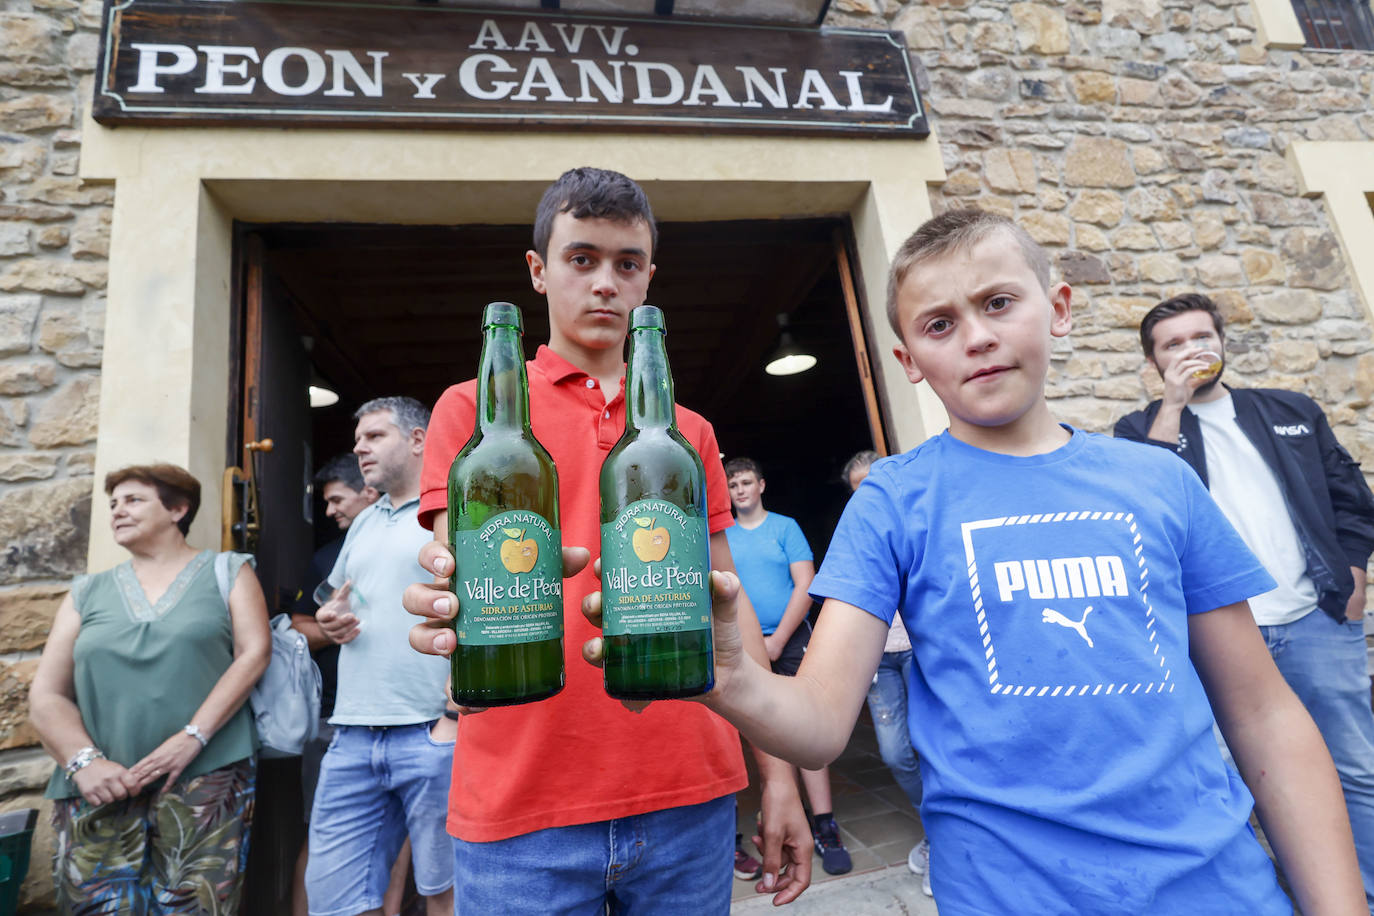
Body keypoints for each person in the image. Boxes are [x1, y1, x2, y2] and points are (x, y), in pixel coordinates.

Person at [582, 207, 1367, 915]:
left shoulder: (1158, 480)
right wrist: (736, 678)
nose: (977, 336)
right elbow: (821, 724)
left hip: (1215, 888)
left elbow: (1263, 715)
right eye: (939, 324)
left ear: (1056, 309)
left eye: (997, 303)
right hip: (1005, 896)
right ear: (908, 359)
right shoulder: (893, 500)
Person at [401, 166, 812, 913]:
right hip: (523, 807)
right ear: (538, 270)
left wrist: (778, 774)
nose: (604, 284)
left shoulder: (689, 431)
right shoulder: (472, 412)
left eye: (627, 265)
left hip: (691, 791)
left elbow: (730, 602)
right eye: (581, 258)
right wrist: (439, 592)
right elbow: (452, 579)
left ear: (649, 279)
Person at [1114, 291, 1374, 912]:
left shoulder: (1290, 410)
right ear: (1154, 363)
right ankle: (1311, 893)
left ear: (1222, 343)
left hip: (1315, 621)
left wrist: (1356, 578)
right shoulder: (1139, 432)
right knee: (1261, 780)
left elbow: (1350, 496)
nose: (1192, 351)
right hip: (1227, 641)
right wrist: (1173, 406)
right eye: (1172, 345)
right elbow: (1146, 508)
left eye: (1201, 337)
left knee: (1357, 771)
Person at [29, 463, 271, 914]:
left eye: (134, 500)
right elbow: (46, 696)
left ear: (178, 509)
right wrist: (85, 763)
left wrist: (191, 738)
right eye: (113, 503)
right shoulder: (86, 591)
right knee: (93, 906)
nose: (118, 510)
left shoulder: (228, 571)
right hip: (98, 784)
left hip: (206, 774)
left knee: (194, 906)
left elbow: (254, 653)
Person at [308, 397, 455, 916]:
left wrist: (453, 718)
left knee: (447, 894)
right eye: (358, 439)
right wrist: (331, 618)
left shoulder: (455, 511)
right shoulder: (367, 521)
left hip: (430, 731)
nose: (359, 447)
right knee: (334, 899)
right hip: (351, 733)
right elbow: (336, 595)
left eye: (374, 436)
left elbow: (489, 615)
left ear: (418, 440)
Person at [723, 457, 852, 877]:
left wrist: (777, 641)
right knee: (750, 737)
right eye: (732, 484)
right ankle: (752, 829)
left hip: (790, 639)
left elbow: (806, 582)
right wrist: (756, 645)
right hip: (738, 646)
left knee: (805, 731)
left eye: (745, 482)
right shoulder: (719, 535)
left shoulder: (785, 527)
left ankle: (824, 825)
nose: (739, 490)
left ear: (761, 485)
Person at [288, 453, 383, 916]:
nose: (329, 512)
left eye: (336, 500)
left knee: (398, 843)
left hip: (406, 713)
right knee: (323, 833)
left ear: (370, 492)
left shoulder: (423, 542)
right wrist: (333, 627)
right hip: (333, 713)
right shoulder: (328, 557)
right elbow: (297, 626)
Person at [843, 448, 930, 896]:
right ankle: (938, 826)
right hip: (880, 657)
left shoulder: (921, 519)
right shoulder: (856, 535)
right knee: (896, 752)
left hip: (921, 651)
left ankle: (942, 841)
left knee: (935, 745)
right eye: (860, 489)